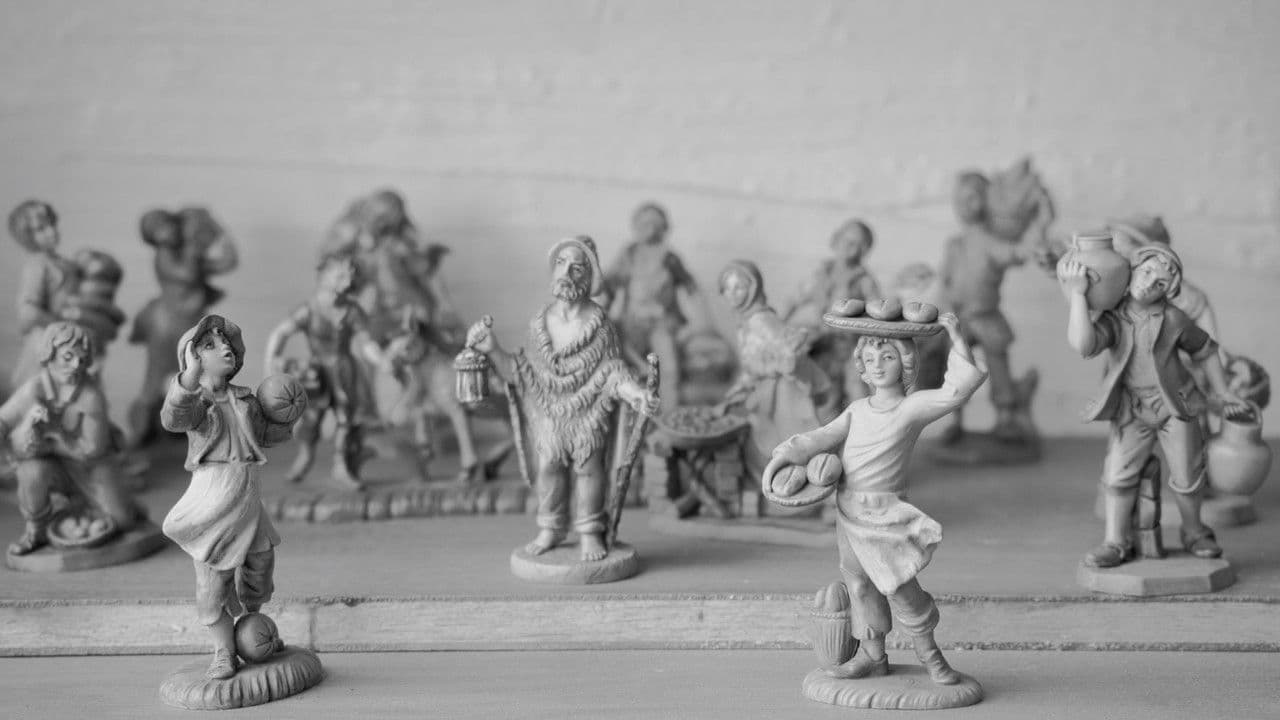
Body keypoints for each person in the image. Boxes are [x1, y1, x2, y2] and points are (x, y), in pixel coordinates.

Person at [764, 313, 985, 685]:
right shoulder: (856, 410)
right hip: (847, 510)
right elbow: (820, 437)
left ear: (906, 362)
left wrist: (956, 335)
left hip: (885, 517)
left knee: (901, 588)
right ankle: (873, 656)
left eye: (888, 357)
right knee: (859, 585)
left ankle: (931, 657)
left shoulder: (910, 408)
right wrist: (783, 458)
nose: (878, 366)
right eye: (869, 359)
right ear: (861, 368)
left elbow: (956, 391)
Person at [465, 236, 658, 562]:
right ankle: (551, 528)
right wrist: (493, 350)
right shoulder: (539, 323)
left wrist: (636, 394)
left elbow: (613, 372)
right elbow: (521, 371)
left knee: (589, 470)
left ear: (589, 278)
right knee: (549, 469)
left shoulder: (601, 326)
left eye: (577, 268)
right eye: (561, 263)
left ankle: (590, 531)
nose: (566, 273)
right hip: (549, 413)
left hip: (589, 413)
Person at [1060, 245, 1246, 567]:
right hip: (1133, 409)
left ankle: (1194, 531)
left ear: (1168, 291)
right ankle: (1116, 541)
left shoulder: (1173, 318)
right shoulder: (1114, 317)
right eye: (1146, 272)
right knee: (1117, 475)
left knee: (1188, 475)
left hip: (1175, 408)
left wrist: (1223, 390)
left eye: (1160, 283)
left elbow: (1205, 349)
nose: (1148, 284)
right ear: (1132, 270)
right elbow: (1084, 346)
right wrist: (1077, 295)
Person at [161, 315, 298, 680]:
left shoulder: (245, 399)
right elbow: (174, 418)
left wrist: (290, 412)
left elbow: (266, 433)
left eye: (226, 342)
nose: (224, 347)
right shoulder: (197, 402)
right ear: (193, 358)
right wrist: (188, 378)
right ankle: (224, 650)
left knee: (261, 564)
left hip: (247, 493)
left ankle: (252, 627)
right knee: (213, 581)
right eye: (210, 345)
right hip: (213, 495)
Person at [0, 322, 142, 555]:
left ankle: (116, 504)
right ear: (49, 354)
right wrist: (18, 437)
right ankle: (37, 530)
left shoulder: (90, 395)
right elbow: (4, 419)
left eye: (82, 359)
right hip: (51, 462)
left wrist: (51, 439)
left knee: (123, 521)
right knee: (30, 472)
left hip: (90, 467)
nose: (76, 365)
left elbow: (93, 449)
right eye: (68, 357)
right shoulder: (35, 388)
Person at [938, 168, 1053, 441]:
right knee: (956, 370)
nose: (965, 205)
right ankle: (955, 419)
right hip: (959, 319)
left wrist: (1041, 225)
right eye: (960, 199)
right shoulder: (955, 245)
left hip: (987, 316)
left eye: (973, 197)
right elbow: (943, 281)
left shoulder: (991, 243)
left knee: (998, 368)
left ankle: (1006, 416)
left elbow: (1019, 252)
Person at [264, 253, 388, 490]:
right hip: (316, 372)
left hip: (344, 371)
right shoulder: (309, 309)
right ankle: (305, 455)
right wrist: (271, 364)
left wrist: (382, 360)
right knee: (311, 418)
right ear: (324, 277)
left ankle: (341, 465)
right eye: (340, 275)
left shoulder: (352, 310)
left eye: (350, 275)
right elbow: (279, 334)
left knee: (346, 418)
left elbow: (366, 343)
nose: (348, 280)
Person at [716, 260, 837, 480]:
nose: (732, 294)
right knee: (766, 434)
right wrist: (743, 383)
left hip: (782, 389)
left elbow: (787, 352)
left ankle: (789, 478)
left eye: (739, 287)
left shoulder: (760, 320)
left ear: (753, 289)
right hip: (767, 383)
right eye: (727, 289)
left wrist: (769, 369)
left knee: (783, 435)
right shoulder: (747, 319)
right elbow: (751, 361)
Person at [128, 208, 239, 446]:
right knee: (156, 379)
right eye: (159, 230)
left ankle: (189, 424)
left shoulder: (189, 255)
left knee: (201, 375)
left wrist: (221, 235)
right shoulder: (165, 256)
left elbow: (226, 263)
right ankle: (141, 431)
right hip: (168, 325)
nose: (168, 232)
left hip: (192, 323)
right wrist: (193, 245)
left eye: (169, 225)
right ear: (154, 238)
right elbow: (188, 274)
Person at [601, 202, 701, 412]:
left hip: (661, 324)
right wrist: (602, 314)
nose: (650, 229)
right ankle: (630, 410)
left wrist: (699, 323)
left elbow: (692, 289)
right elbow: (609, 286)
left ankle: (669, 417)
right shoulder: (628, 255)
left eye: (656, 224)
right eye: (645, 223)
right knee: (620, 363)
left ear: (664, 227)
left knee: (669, 368)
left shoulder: (669, 258)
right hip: (632, 324)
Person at [783, 218, 884, 404]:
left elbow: (879, 311)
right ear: (837, 239)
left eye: (857, 244)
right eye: (847, 239)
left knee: (857, 393)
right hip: (823, 343)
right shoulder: (822, 273)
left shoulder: (863, 280)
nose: (849, 247)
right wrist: (779, 324)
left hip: (851, 346)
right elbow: (795, 299)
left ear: (864, 251)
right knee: (821, 394)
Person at [8, 200, 80, 387]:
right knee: (42, 390)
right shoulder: (38, 265)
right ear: (27, 236)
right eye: (41, 229)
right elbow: (28, 311)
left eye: (52, 224)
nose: (51, 231)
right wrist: (59, 324)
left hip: (66, 340)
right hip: (46, 340)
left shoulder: (63, 264)